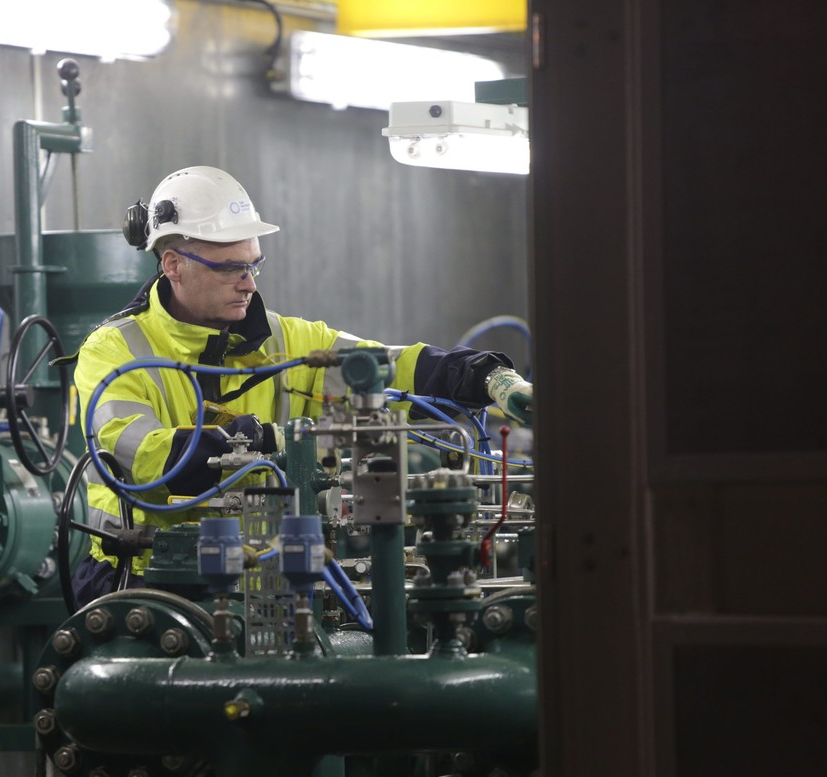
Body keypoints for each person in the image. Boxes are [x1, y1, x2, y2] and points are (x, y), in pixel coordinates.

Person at [71, 165, 534, 612]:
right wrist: (270, 443)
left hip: (266, 576)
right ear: (173, 265)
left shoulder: (288, 342)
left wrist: (487, 376)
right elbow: (151, 461)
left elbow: (387, 368)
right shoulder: (115, 350)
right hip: (144, 579)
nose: (249, 283)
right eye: (230, 269)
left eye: (255, 265)